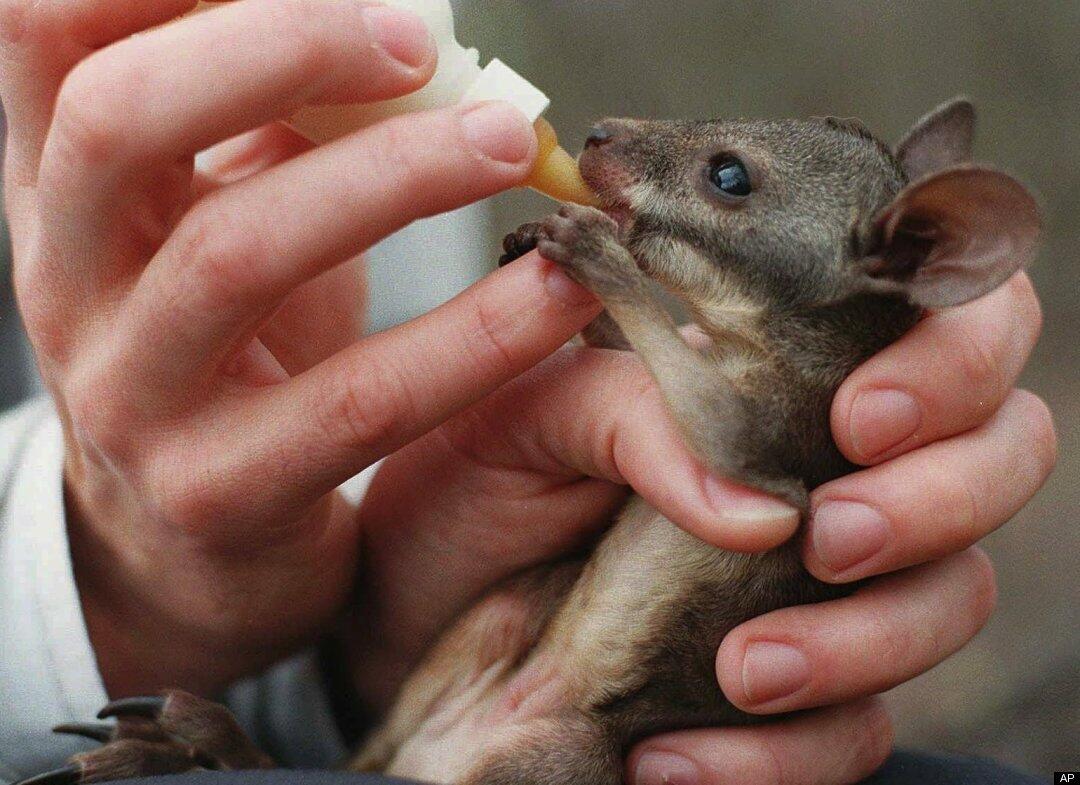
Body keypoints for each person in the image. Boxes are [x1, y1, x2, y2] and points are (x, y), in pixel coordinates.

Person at [0, 3, 1055, 784]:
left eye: (723, 181)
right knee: (503, 635)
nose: (621, 136)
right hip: (510, 655)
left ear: (898, 261)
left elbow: (731, 439)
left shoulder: (805, 408)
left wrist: (617, 290)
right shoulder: (731, 353)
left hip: (576, 717)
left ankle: (267, 760)